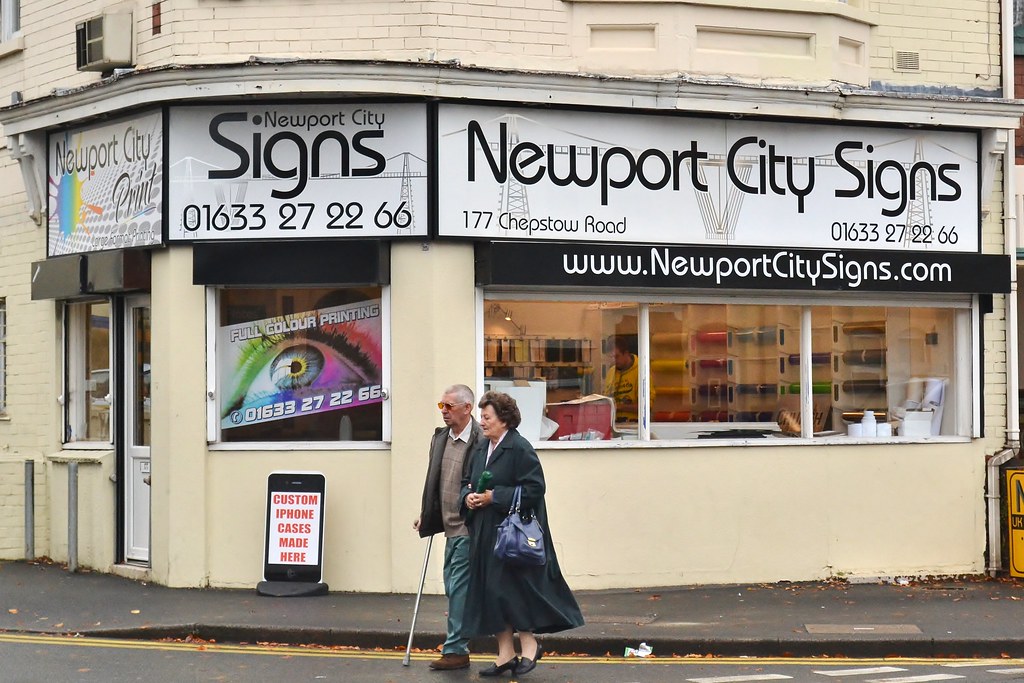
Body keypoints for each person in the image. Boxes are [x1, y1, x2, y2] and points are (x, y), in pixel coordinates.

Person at [461, 391, 583, 677]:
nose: (482, 422)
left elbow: (535, 489)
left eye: (487, 417)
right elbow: (467, 481)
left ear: (504, 419)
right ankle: (505, 654)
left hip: (511, 535)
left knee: (513, 592)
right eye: (481, 416)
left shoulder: (519, 447)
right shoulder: (481, 447)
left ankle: (529, 645)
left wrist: (495, 497)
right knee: (492, 594)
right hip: (485, 533)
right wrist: (468, 497)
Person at [414, 384, 483, 671]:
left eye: (449, 406)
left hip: (469, 526)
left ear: (467, 408)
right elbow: (434, 480)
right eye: (441, 406)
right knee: (452, 587)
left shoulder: (480, 440)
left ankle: (456, 649)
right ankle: (461, 642)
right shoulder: (440, 438)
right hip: (448, 526)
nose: (444, 411)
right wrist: (426, 514)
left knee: (458, 589)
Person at [604, 334, 640, 422]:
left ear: (626, 353)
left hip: (634, 425)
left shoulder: (641, 371)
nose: (614, 361)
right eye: (611, 357)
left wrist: (619, 407)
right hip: (614, 423)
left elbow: (646, 407)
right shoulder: (611, 372)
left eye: (617, 356)